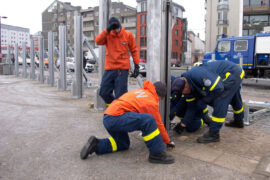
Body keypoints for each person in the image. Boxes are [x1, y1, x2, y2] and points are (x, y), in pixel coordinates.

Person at [80, 80, 175, 164]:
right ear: (160, 95)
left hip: (108, 117)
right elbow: (158, 124)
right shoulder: (151, 101)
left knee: (123, 144)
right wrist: (168, 140)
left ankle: (96, 145)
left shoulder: (140, 92)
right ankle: (157, 154)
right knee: (149, 120)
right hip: (116, 117)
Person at [172, 60, 245, 143]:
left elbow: (219, 88)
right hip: (226, 75)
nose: (183, 95)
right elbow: (192, 107)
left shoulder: (198, 76)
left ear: (186, 87)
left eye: (182, 93)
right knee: (234, 96)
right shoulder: (188, 86)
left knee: (220, 100)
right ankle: (239, 121)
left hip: (232, 72)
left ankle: (214, 134)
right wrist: (183, 124)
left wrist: (205, 100)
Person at [95, 17, 140, 106]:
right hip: (110, 69)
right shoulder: (107, 35)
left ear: (120, 26)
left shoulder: (128, 35)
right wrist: (107, 30)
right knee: (103, 92)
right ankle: (114, 107)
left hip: (122, 70)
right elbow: (98, 41)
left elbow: (134, 50)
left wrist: (136, 65)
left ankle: (118, 112)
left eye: (118, 28)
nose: (117, 30)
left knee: (121, 96)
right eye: (114, 28)